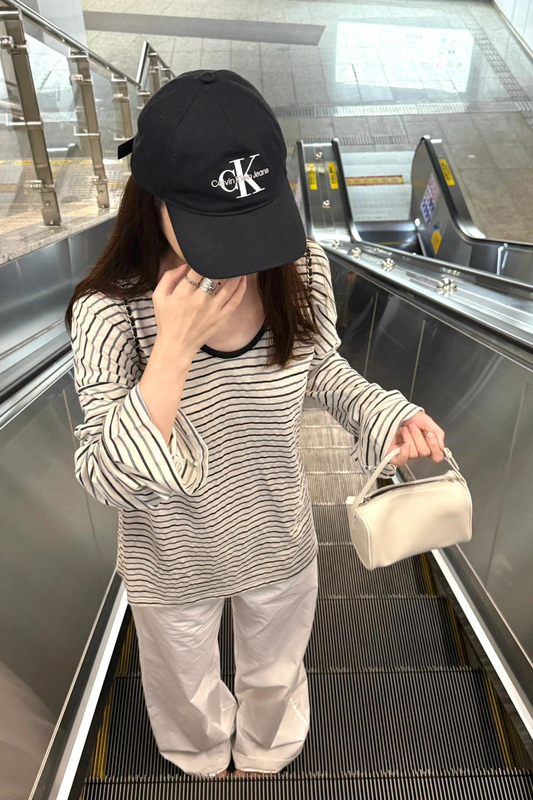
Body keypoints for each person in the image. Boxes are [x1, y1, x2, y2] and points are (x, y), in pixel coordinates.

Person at [64, 69, 446, 780]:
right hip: (170, 553)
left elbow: (319, 366)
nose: (243, 256)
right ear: (155, 201)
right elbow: (105, 478)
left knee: (276, 669)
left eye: (254, 222)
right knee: (182, 683)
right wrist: (173, 348)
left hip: (275, 528)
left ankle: (268, 749)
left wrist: (383, 412)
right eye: (216, 231)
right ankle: (201, 755)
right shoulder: (109, 311)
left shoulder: (298, 269)